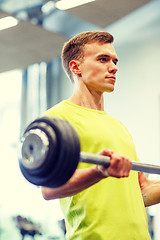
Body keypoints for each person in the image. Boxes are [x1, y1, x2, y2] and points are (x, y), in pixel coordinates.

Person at [41, 31, 160, 240]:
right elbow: (49, 189)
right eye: (103, 59)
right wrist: (99, 171)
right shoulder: (57, 118)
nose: (114, 67)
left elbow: (141, 191)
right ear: (76, 67)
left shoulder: (118, 126)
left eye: (114, 61)